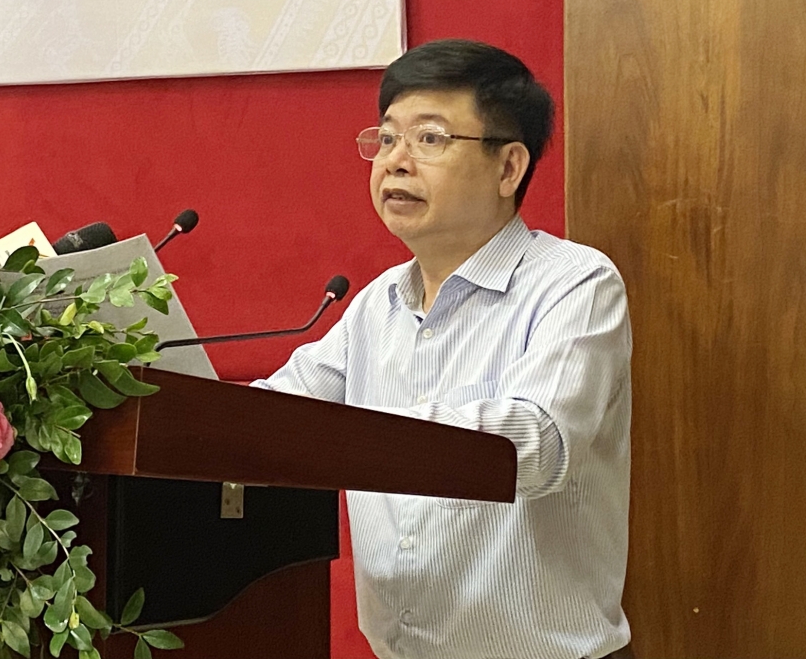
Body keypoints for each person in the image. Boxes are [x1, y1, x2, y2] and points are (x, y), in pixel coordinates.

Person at [252, 39, 633, 659]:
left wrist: (358, 437)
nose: (396, 163)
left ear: (509, 168)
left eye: (429, 139)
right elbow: (270, 416)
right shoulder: (377, 305)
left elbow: (534, 444)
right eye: (386, 138)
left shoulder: (575, 283)